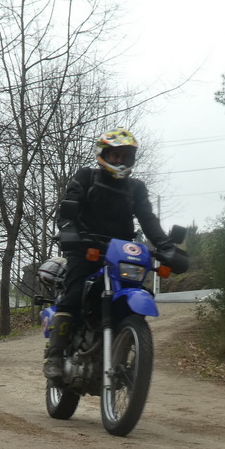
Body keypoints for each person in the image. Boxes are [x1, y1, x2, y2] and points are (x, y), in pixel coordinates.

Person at [43, 128, 178, 380]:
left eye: (125, 156)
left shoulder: (136, 188)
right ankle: (55, 355)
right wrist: (69, 230)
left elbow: (148, 218)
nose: (119, 160)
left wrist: (165, 245)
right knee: (73, 294)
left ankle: (124, 337)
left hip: (121, 252)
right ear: (103, 155)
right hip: (86, 248)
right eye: (115, 155)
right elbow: (68, 207)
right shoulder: (87, 176)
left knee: (135, 289)